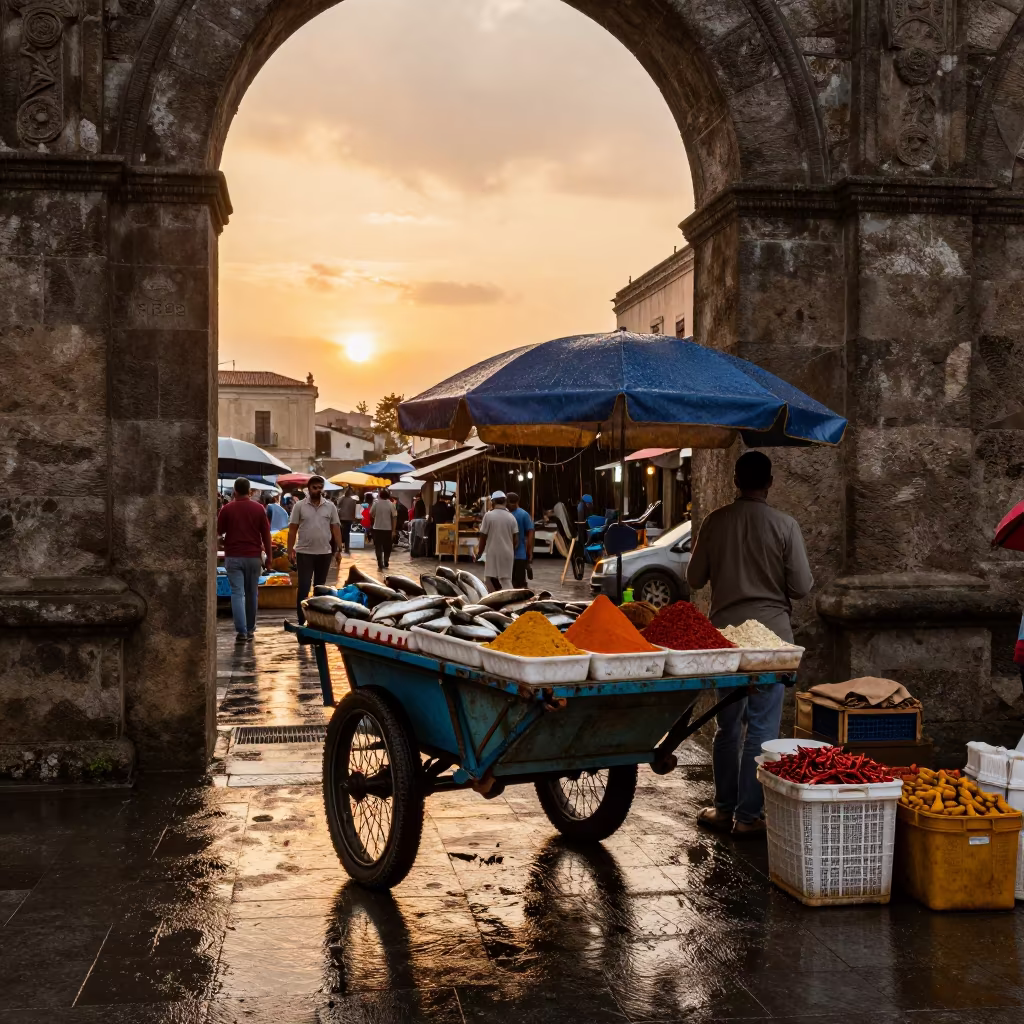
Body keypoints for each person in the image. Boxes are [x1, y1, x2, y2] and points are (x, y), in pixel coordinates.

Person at [686, 451, 814, 837]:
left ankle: (724, 810)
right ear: (770, 482)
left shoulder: (715, 521)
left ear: (735, 481)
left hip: (725, 638)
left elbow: (694, 578)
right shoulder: (785, 525)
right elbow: (802, 587)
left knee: (728, 726)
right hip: (771, 640)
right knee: (762, 726)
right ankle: (748, 816)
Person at [217, 477, 274, 643]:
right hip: (253, 557)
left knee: (237, 593)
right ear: (249, 491)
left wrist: (221, 542)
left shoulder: (227, 509)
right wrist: (269, 558)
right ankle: (250, 629)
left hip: (233, 557)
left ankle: (241, 632)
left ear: (235, 490)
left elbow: (219, 533)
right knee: (251, 593)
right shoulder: (259, 509)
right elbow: (266, 536)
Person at [288, 475, 343, 629]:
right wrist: (289, 549)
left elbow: (336, 528)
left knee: (320, 589)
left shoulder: (330, 506)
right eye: (314, 488)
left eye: (320, 488)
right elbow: (292, 529)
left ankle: (316, 622)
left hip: (324, 553)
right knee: (304, 588)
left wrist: (339, 549)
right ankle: (301, 621)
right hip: (304, 553)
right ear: (309, 488)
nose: (317, 491)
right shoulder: (299, 506)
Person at [477, 491, 519, 592]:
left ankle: (493, 599)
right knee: (506, 580)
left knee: (488, 579)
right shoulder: (511, 517)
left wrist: (479, 552)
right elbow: (516, 539)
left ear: (492, 502)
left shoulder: (488, 516)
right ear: (505, 502)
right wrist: (510, 550)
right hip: (507, 552)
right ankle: (509, 598)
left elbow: (483, 536)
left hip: (493, 552)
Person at [506, 492, 534, 589]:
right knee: (520, 583)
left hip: (511, 554)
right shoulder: (524, 514)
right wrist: (529, 552)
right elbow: (530, 533)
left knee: (510, 582)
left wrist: (529, 551)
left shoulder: (506, 514)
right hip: (519, 555)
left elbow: (530, 534)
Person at [369, 487, 398, 570]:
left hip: (377, 528)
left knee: (378, 546)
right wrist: (393, 530)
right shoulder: (391, 504)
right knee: (387, 547)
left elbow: (371, 513)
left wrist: (375, 516)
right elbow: (394, 517)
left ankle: (379, 562)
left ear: (380, 496)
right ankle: (386, 560)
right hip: (387, 529)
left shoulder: (376, 503)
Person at [337, 486, 358, 555]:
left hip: (342, 518)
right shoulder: (353, 501)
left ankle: (341, 547)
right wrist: (354, 518)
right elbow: (354, 510)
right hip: (349, 518)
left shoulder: (341, 499)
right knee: (346, 534)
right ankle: (347, 548)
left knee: (342, 533)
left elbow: (338, 505)